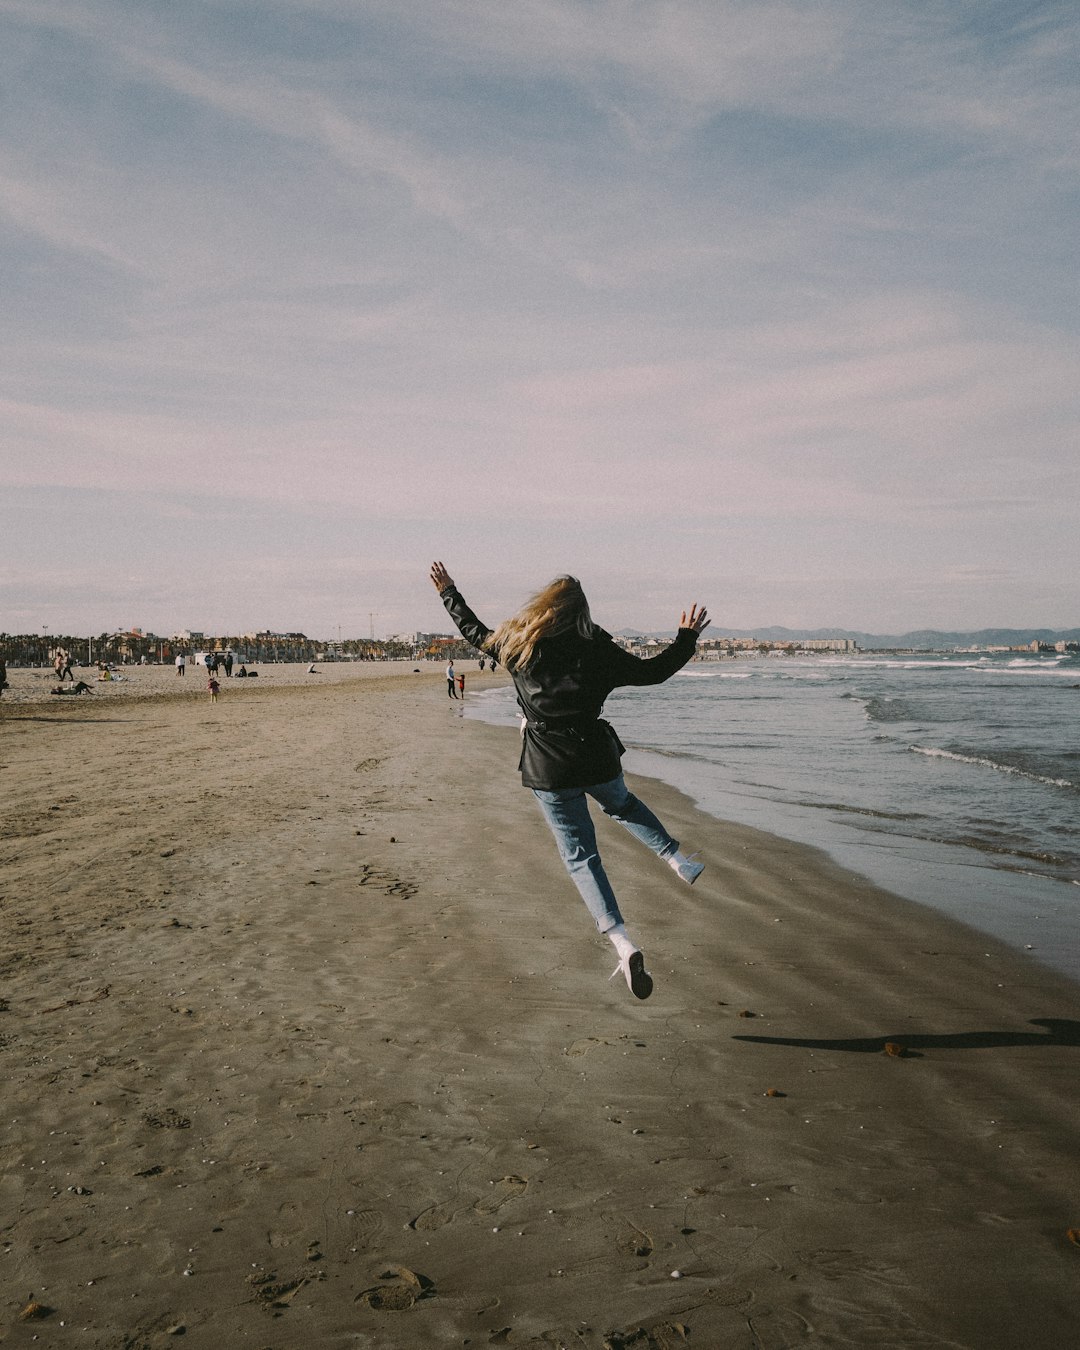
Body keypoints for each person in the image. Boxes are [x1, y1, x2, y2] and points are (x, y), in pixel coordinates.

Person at [429, 561, 709, 1000]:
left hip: (549, 767)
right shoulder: (598, 649)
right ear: (581, 612)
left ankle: (624, 944)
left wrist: (449, 592)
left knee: (581, 857)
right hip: (596, 758)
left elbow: (473, 630)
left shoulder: (517, 647)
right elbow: (654, 672)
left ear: (544, 607)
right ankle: (677, 860)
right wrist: (687, 638)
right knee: (623, 804)